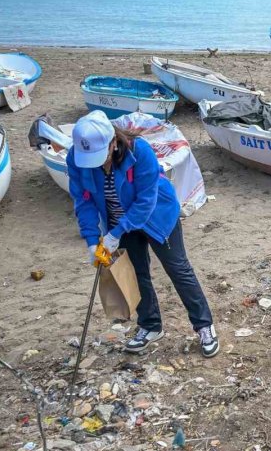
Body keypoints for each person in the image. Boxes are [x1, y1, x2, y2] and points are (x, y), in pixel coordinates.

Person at [67, 111, 220, 357]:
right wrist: (91, 241)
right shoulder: (76, 158)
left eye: (101, 156)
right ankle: (150, 326)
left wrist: (115, 233)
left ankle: (204, 326)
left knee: (178, 269)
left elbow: (146, 201)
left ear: (112, 143)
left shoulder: (139, 153)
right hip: (119, 222)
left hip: (156, 217)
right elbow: (83, 201)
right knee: (137, 273)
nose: (96, 164)